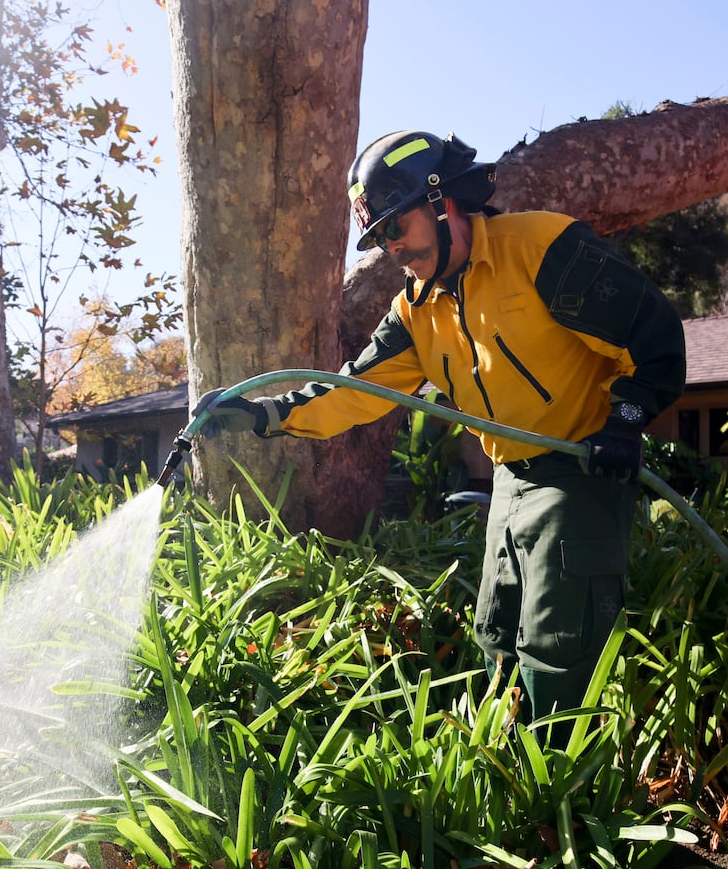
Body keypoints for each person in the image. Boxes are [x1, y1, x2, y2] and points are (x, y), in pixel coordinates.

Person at [194, 130, 686, 724]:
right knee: (497, 638)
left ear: (441, 200)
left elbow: (653, 337)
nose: (392, 248)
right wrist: (262, 414)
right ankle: (503, 773)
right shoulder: (415, 309)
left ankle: (563, 798)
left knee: (558, 652)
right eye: (379, 239)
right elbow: (352, 392)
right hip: (508, 480)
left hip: (576, 472)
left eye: (396, 227)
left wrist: (625, 422)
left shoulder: (543, 248)